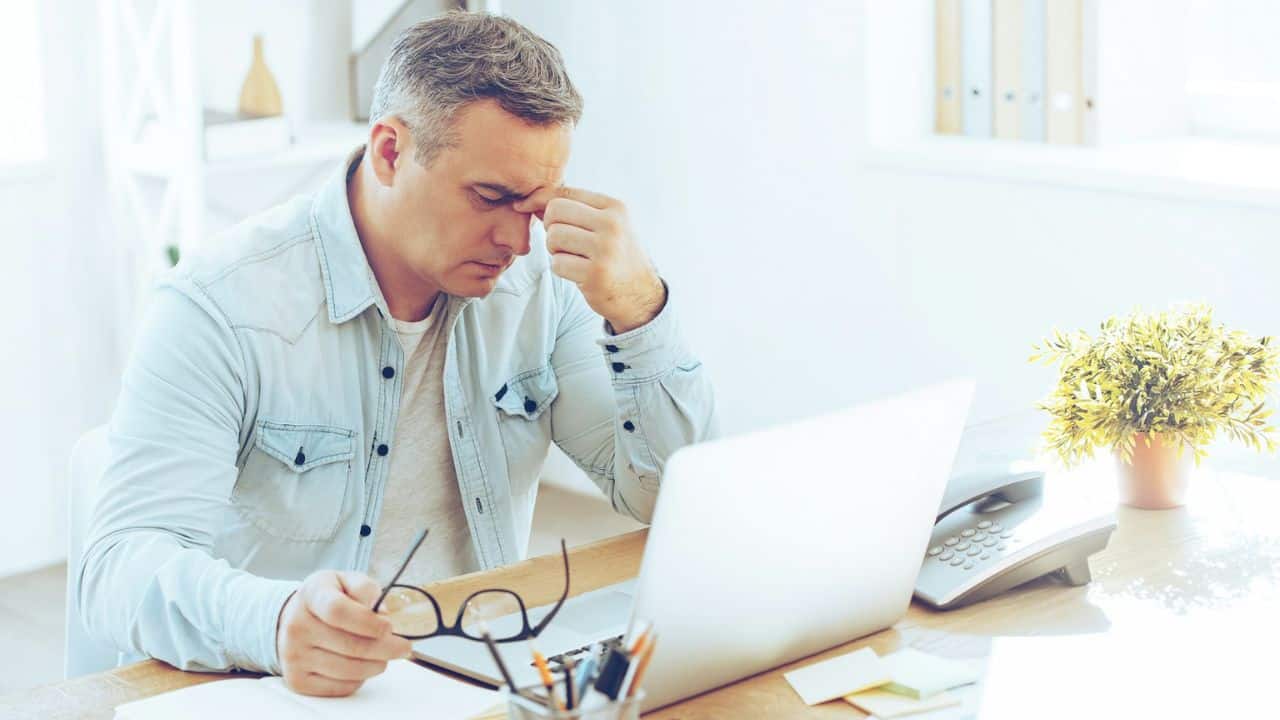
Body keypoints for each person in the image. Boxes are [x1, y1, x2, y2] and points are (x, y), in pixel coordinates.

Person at [77, 12, 717, 697]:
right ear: (389, 152)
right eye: (491, 198)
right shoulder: (217, 306)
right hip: (281, 689)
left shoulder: (540, 290)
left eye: (537, 206)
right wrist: (275, 620)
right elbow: (118, 568)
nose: (519, 241)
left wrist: (639, 310)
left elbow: (662, 495)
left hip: (477, 680)